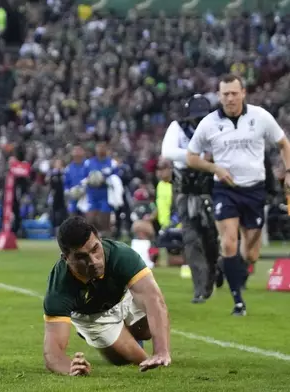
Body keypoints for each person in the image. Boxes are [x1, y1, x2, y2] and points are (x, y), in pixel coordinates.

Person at [187, 74, 290, 316]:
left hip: (255, 190)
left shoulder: (260, 117)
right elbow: (191, 157)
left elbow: (283, 143)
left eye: (234, 93)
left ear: (243, 93)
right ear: (219, 96)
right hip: (226, 190)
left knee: (251, 254)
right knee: (229, 241)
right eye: (225, 94)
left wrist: (288, 171)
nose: (230, 98)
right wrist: (215, 168)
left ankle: (227, 265)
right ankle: (238, 302)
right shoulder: (209, 123)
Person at [43, 216, 171, 376]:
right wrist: (70, 368)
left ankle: (128, 333)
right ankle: (107, 337)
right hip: (92, 316)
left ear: (100, 240)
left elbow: (154, 300)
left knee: (146, 331)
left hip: (122, 298)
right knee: (127, 359)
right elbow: (52, 353)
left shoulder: (121, 254)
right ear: (66, 258)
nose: (94, 261)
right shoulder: (59, 287)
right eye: (82, 257)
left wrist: (161, 351)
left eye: (95, 249)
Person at [161, 94, 220, 304]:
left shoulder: (217, 127)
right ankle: (199, 287)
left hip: (208, 188)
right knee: (191, 237)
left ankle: (213, 275)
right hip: (185, 189)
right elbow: (167, 151)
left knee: (211, 237)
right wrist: (193, 156)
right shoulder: (177, 128)